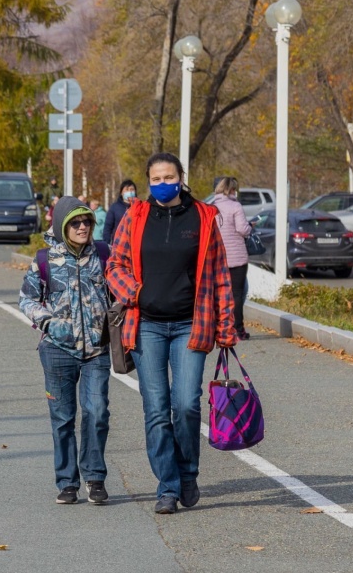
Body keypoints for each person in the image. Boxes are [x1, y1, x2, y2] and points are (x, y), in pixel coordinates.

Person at [106, 152, 236, 515]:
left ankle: (188, 472)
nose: (163, 184)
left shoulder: (203, 217)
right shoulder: (135, 216)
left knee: (187, 404)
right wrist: (135, 292)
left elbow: (221, 275)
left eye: (169, 177)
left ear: (181, 177)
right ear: (148, 182)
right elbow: (114, 264)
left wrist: (226, 326)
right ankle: (167, 485)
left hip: (190, 325)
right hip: (145, 325)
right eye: (156, 179)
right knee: (157, 410)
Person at [19, 197, 112, 505]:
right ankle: (67, 482)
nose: (83, 227)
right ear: (62, 226)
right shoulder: (44, 259)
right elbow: (27, 299)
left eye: (87, 221)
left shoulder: (104, 254)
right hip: (57, 350)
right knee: (62, 418)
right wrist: (49, 322)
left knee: (97, 412)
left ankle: (95, 478)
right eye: (75, 222)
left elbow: (119, 291)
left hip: (96, 350)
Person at [210, 176, 252, 341]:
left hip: (217, 257)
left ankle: (218, 328)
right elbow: (242, 229)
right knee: (237, 294)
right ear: (231, 190)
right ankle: (238, 330)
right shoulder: (236, 206)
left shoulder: (211, 207)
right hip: (237, 258)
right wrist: (250, 227)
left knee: (218, 294)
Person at [103, 179, 137, 243]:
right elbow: (107, 228)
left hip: (135, 242)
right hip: (119, 242)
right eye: (126, 189)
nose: (129, 192)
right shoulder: (114, 207)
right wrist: (106, 243)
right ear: (121, 192)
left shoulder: (139, 207)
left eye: (132, 189)